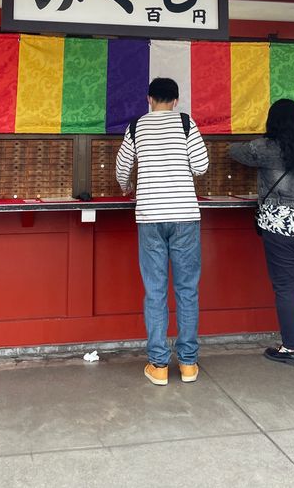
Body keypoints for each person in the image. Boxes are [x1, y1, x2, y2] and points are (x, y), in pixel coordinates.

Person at [115, 77, 209, 386]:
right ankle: (188, 364)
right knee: (187, 289)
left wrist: (128, 187)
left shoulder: (136, 126)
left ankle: (158, 365)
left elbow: (121, 167)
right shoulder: (185, 123)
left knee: (155, 290)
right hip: (184, 215)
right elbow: (201, 166)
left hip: (150, 217)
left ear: (149, 99)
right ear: (176, 101)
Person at [229, 99, 294, 368]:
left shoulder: (266, 147)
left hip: (282, 225)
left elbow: (233, 151)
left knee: (286, 287)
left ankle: (290, 348)